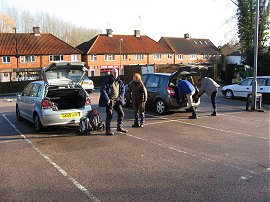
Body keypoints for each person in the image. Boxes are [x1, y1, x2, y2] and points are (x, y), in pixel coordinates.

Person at [99, 68, 128, 135]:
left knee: (121, 113)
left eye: (116, 72)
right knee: (109, 115)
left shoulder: (119, 81)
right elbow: (103, 90)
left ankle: (119, 127)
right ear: (111, 73)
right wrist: (107, 99)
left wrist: (120, 97)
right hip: (110, 100)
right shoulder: (107, 81)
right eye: (114, 72)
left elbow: (123, 89)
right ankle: (108, 130)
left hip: (117, 100)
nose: (115, 73)